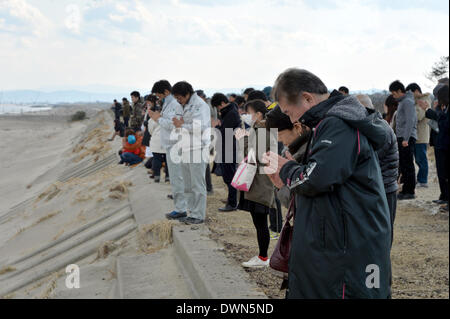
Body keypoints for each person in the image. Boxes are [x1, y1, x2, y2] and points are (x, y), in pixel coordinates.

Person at [264, 68, 391, 299]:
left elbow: (318, 178)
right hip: (336, 243)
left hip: (347, 248)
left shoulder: (338, 124)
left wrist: (287, 168)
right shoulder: (327, 124)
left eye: (289, 112)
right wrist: (288, 178)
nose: (293, 120)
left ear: (307, 98)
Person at [235, 99, 277, 268]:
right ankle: (262, 256)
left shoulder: (261, 131)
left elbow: (255, 157)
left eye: (249, 112)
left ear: (259, 114)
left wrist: (241, 140)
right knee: (260, 222)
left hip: (260, 184)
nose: (246, 116)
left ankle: (263, 257)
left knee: (260, 223)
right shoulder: (260, 129)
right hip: (259, 182)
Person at [357, 94, 399, 245]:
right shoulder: (374, 126)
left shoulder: (380, 130)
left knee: (383, 234)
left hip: (385, 189)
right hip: (380, 187)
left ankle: (380, 265)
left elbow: (366, 159)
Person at [171, 81, 211, 225]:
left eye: (179, 97)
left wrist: (182, 125)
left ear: (187, 94)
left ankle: (198, 214)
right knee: (187, 184)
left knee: (197, 184)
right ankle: (191, 211)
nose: (178, 100)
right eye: (176, 98)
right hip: (184, 146)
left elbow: (202, 126)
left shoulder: (200, 105)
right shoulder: (182, 105)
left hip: (197, 148)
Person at [148, 80, 185, 216]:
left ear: (166, 92)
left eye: (159, 95)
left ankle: (181, 209)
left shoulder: (174, 105)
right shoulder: (168, 104)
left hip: (175, 145)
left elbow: (172, 124)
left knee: (177, 178)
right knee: (176, 178)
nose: (158, 98)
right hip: (170, 145)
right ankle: (180, 206)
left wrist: (158, 119)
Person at [265, 105, 311, 209]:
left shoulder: (307, 153)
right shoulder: (296, 150)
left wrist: (282, 186)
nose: (279, 141)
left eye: (280, 135)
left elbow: (304, 203)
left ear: (297, 127)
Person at [419, 85, 449, 209]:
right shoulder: (442, 107)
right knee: (441, 172)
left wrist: (429, 110)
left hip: (446, 143)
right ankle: (444, 196)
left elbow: (444, 122)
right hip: (440, 143)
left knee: (446, 172)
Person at [211, 93, 242, 212]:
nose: (218, 109)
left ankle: (233, 203)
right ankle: (231, 199)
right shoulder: (229, 111)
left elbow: (226, 133)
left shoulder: (231, 113)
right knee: (228, 176)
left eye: (218, 107)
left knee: (230, 176)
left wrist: (216, 127)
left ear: (222, 103)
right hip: (226, 147)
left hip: (229, 148)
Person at [389, 80, 417, 200]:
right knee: (404, 164)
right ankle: (405, 190)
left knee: (408, 164)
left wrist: (405, 138)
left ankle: (410, 191)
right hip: (402, 137)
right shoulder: (403, 102)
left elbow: (411, 120)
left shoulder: (408, 102)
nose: (393, 96)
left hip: (407, 138)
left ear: (400, 91)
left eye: (394, 94)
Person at [406, 83, 431, 188]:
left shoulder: (424, 101)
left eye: (410, 93)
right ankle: (420, 179)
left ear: (416, 91)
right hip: (417, 135)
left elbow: (418, 116)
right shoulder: (417, 102)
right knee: (418, 159)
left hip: (421, 135)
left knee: (421, 159)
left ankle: (423, 180)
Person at [147, 95, 169, 183]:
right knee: (167, 159)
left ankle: (157, 176)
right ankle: (168, 176)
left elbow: (150, 131)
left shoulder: (151, 120)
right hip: (166, 140)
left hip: (156, 141)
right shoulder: (166, 118)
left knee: (156, 159)